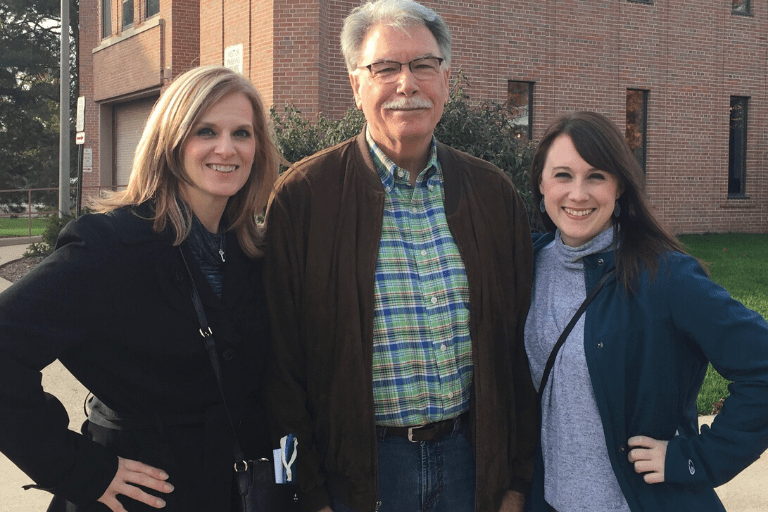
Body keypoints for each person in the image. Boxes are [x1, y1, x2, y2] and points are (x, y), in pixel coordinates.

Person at [262, 1, 537, 511]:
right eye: (385, 68)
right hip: (359, 474)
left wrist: (517, 479)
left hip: (470, 465)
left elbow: (517, 347)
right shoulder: (304, 197)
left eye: (423, 65)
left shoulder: (493, 195)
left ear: (445, 80)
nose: (406, 84)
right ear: (356, 85)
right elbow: (281, 362)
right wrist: (311, 493)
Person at [0, 65, 280, 511]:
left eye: (242, 133)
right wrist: (79, 469)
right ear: (169, 142)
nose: (226, 149)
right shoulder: (106, 247)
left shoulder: (255, 252)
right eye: (205, 131)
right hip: (138, 498)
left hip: (240, 493)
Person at [524, 110, 768, 512]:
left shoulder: (664, 276)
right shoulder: (526, 265)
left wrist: (694, 459)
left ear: (619, 186)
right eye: (563, 175)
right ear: (541, 183)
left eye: (597, 176)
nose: (578, 194)